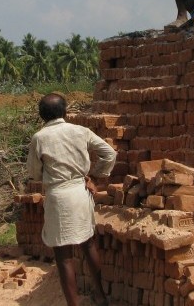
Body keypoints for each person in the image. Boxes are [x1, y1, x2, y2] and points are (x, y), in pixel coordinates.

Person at [27, 93, 117, 306]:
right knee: (88, 243)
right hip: (81, 192)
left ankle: (73, 303)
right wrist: (94, 176)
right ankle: (100, 296)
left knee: (64, 255)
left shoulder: (39, 138)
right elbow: (109, 154)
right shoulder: (81, 131)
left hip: (58, 196)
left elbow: (34, 173)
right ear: (65, 112)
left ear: (42, 115)